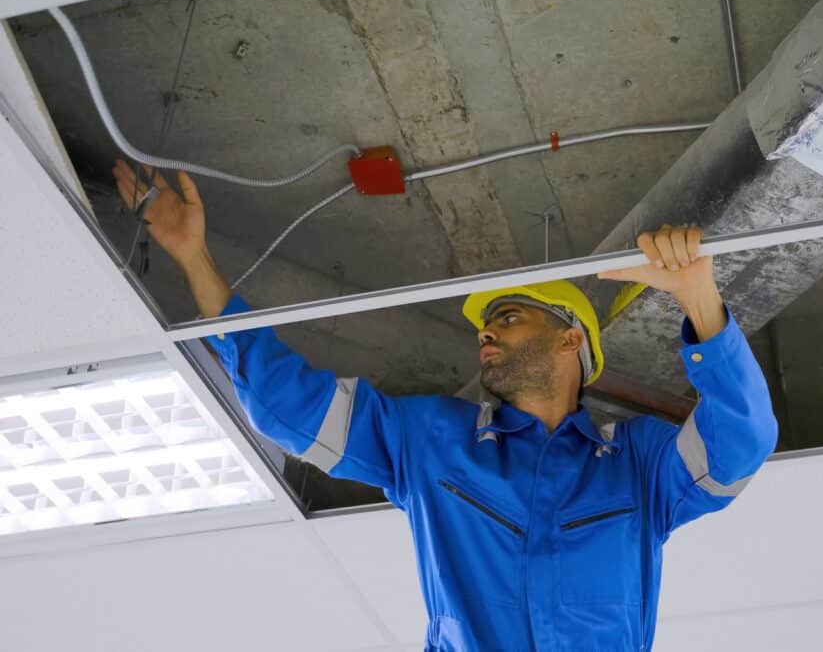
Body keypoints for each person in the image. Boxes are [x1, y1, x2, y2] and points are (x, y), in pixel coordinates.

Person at [112, 159, 778, 651]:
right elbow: (288, 408)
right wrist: (195, 258)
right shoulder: (430, 441)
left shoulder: (637, 466)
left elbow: (742, 443)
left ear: (570, 339)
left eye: (508, 317)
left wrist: (699, 300)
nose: (485, 334)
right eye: (485, 326)